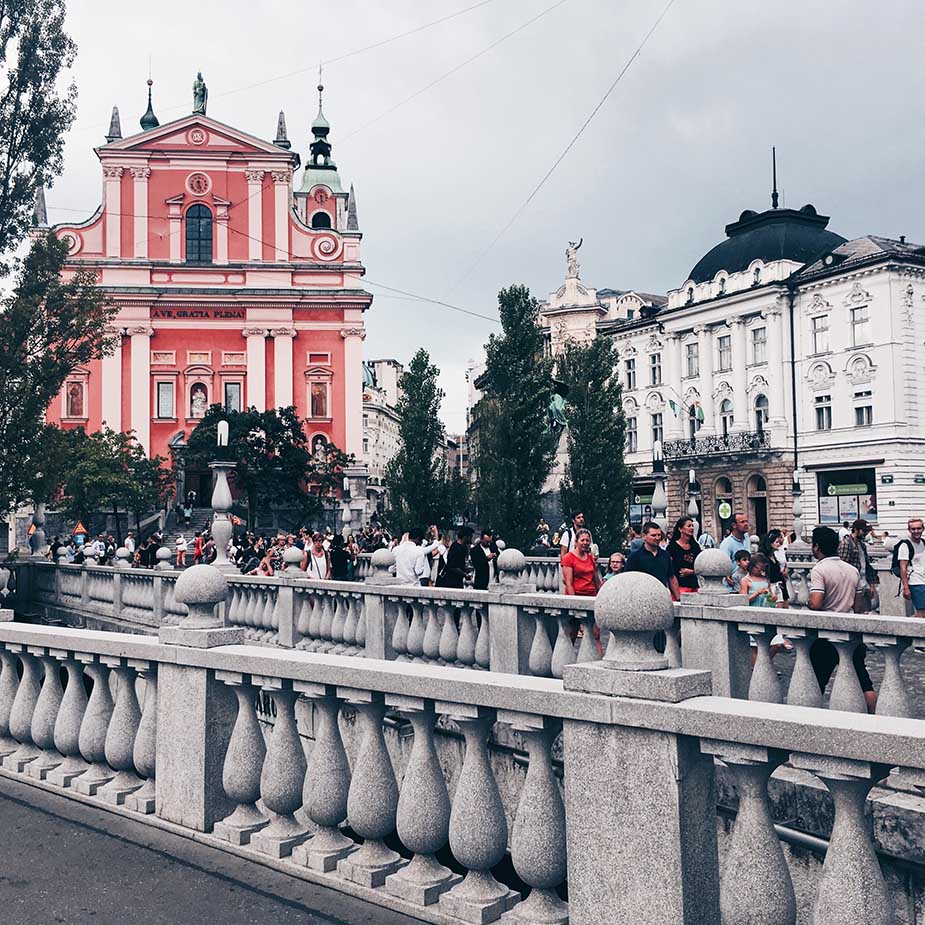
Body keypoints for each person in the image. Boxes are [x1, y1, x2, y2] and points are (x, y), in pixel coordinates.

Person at [807, 526, 876, 713]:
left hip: (826, 633)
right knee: (863, 679)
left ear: (816, 547)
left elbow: (816, 603)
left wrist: (808, 602)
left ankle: (811, 718)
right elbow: (859, 606)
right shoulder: (851, 570)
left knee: (816, 680)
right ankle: (872, 715)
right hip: (850, 630)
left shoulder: (819, 570)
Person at [625, 522, 680, 601]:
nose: (657, 538)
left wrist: (678, 599)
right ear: (644, 536)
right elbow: (628, 580)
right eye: (653, 535)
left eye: (659, 535)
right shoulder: (634, 557)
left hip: (662, 596)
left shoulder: (665, 555)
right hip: (641, 597)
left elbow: (671, 577)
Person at [838, 518, 877, 611]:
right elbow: (843, 567)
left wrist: (871, 585)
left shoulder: (862, 544)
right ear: (855, 529)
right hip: (854, 587)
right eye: (864, 531)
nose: (866, 534)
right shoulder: (846, 543)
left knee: (867, 611)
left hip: (865, 584)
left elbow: (866, 566)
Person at [896, 518, 925, 617]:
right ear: (909, 530)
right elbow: (902, 567)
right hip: (915, 583)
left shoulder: (923, 543)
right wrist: (906, 588)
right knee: (921, 613)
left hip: (923, 581)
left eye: (918, 528)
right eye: (913, 529)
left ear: (923, 529)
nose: (916, 531)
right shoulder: (905, 545)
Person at [562, 528, 602, 597]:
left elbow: (597, 582)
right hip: (577, 596)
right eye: (582, 540)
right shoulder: (568, 558)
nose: (585, 543)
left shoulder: (590, 557)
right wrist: (574, 602)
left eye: (587, 540)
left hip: (591, 595)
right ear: (576, 541)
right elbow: (569, 584)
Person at [667, 516, 701, 593]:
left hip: (694, 585)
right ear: (680, 529)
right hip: (679, 586)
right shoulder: (672, 547)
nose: (692, 528)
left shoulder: (695, 546)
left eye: (692, 526)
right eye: (689, 526)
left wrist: (692, 572)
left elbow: (701, 564)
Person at [758, 529, 789, 606]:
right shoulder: (764, 557)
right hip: (771, 586)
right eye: (777, 542)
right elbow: (764, 575)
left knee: (785, 607)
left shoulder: (774, 555)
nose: (779, 544)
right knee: (774, 607)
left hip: (780, 584)